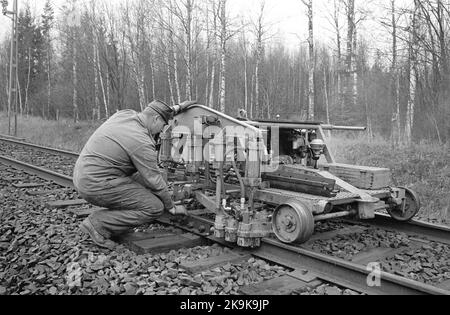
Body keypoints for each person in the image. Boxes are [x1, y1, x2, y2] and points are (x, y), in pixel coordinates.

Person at [73, 100, 197, 249]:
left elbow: (154, 111)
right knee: (155, 207)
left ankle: (121, 215)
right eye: (163, 126)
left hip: (85, 173)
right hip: (96, 183)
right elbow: (154, 180)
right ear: (156, 119)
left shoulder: (126, 114)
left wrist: (177, 108)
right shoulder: (141, 141)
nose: (162, 130)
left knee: (149, 185)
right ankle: (98, 224)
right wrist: (171, 207)